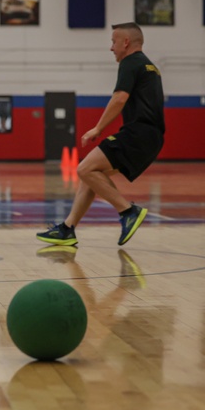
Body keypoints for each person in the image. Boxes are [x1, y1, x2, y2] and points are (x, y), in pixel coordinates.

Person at [37, 22, 164, 247]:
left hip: (138, 133)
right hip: (150, 136)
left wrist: (98, 128)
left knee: (84, 169)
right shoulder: (149, 66)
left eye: (113, 41)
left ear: (126, 42)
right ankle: (67, 229)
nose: (111, 47)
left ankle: (128, 211)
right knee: (90, 174)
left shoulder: (130, 62)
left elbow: (119, 98)